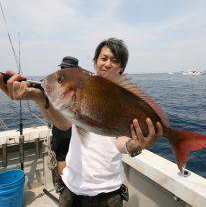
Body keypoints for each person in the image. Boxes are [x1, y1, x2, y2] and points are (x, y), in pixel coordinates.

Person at [0, 38, 163, 207]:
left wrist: (136, 145)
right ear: (95, 61)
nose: (107, 64)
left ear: (121, 68)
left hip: (109, 193)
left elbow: (121, 142)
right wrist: (38, 96)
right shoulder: (83, 87)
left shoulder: (123, 98)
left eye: (114, 61)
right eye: (104, 58)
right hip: (71, 188)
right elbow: (64, 123)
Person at [51, 56, 79, 193]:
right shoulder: (79, 85)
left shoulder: (55, 84)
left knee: (62, 157)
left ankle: (65, 188)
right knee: (70, 157)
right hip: (74, 128)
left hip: (61, 128)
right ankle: (69, 187)